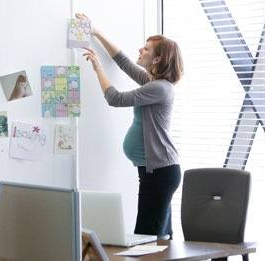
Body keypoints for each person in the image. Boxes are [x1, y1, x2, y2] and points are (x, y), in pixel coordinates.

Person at [76, 13, 184, 240]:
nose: (140, 51)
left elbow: (115, 99)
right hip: (155, 171)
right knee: (160, 237)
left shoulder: (159, 88)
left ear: (157, 60)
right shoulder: (153, 83)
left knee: (147, 235)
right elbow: (123, 61)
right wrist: (96, 31)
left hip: (160, 173)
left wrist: (98, 69)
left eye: (146, 49)